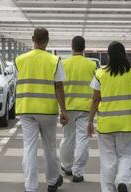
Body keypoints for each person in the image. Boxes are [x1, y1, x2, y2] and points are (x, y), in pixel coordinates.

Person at [15, 27, 68, 192]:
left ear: (32, 38)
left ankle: (31, 186)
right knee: (49, 146)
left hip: (26, 109)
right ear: (48, 41)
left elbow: (19, 81)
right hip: (47, 110)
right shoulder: (54, 60)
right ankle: (52, 181)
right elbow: (59, 86)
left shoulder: (20, 60)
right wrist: (63, 110)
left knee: (29, 147)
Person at [87, 41, 131, 192]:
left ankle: (108, 190)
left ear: (108, 56)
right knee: (127, 155)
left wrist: (90, 120)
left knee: (107, 160)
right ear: (124, 55)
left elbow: (96, 99)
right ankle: (123, 180)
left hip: (106, 124)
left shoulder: (100, 74)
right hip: (127, 123)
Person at [59, 36, 97, 183]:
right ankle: (78, 172)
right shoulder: (92, 65)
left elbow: (58, 86)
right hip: (86, 108)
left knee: (68, 138)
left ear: (72, 47)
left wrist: (61, 108)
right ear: (84, 48)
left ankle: (67, 167)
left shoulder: (63, 63)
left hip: (68, 106)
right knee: (83, 139)